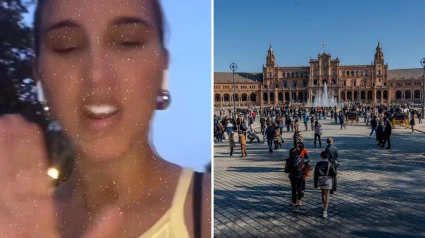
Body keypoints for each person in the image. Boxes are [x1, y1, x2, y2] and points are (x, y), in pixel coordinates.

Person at [0, 1, 210, 237]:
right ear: (39, 77)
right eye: (66, 47)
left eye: (128, 42)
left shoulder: (208, 208)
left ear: (163, 68)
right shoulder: (12, 220)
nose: (97, 75)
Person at [314, 151, 337, 218]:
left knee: (322, 193)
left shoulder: (318, 164)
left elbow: (315, 174)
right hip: (328, 180)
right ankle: (325, 211)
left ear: (321, 156)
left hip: (320, 179)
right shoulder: (330, 164)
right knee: (327, 195)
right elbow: (334, 173)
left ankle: (323, 204)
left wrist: (315, 182)